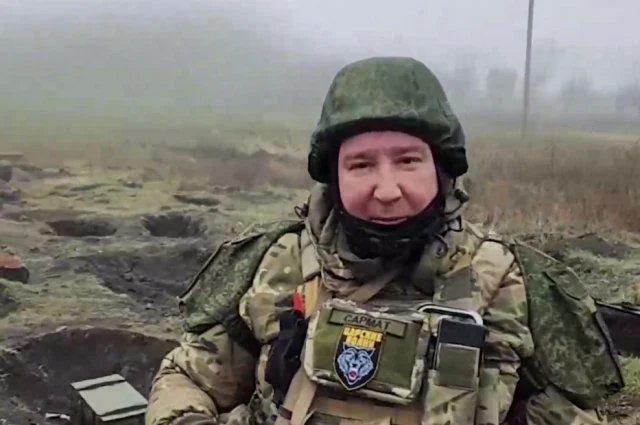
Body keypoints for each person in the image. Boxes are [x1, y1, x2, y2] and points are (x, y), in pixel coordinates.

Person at [145, 57, 623, 425]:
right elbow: (188, 379)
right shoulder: (280, 261)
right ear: (334, 176)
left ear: (440, 168)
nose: (387, 189)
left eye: (408, 161)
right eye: (361, 165)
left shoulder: (505, 278)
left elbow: (572, 414)